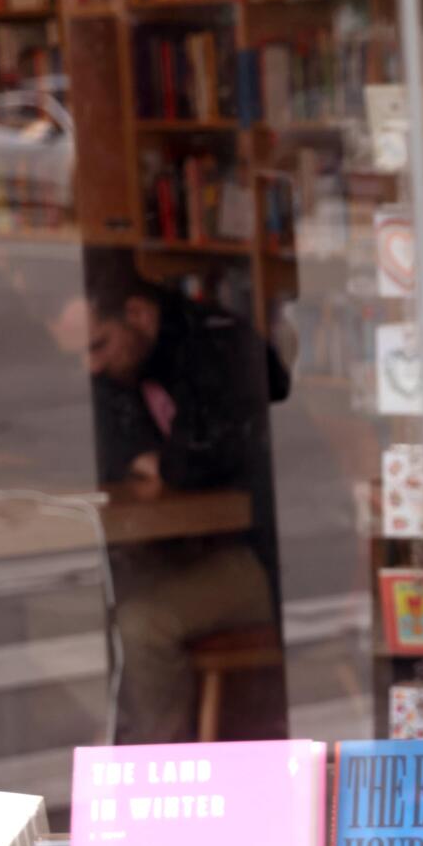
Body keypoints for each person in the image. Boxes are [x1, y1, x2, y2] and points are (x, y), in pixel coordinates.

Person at [85, 249, 290, 740]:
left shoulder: (215, 345)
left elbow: (201, 454)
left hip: (269, 559)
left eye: (100, 345)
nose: (93, 367)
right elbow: (109, 444)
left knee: (142, 624)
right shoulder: (132, 363)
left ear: (138, 314)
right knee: (99, 600)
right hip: (196, 551)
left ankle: (163, 772)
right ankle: (125, 740)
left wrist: (166, 462)